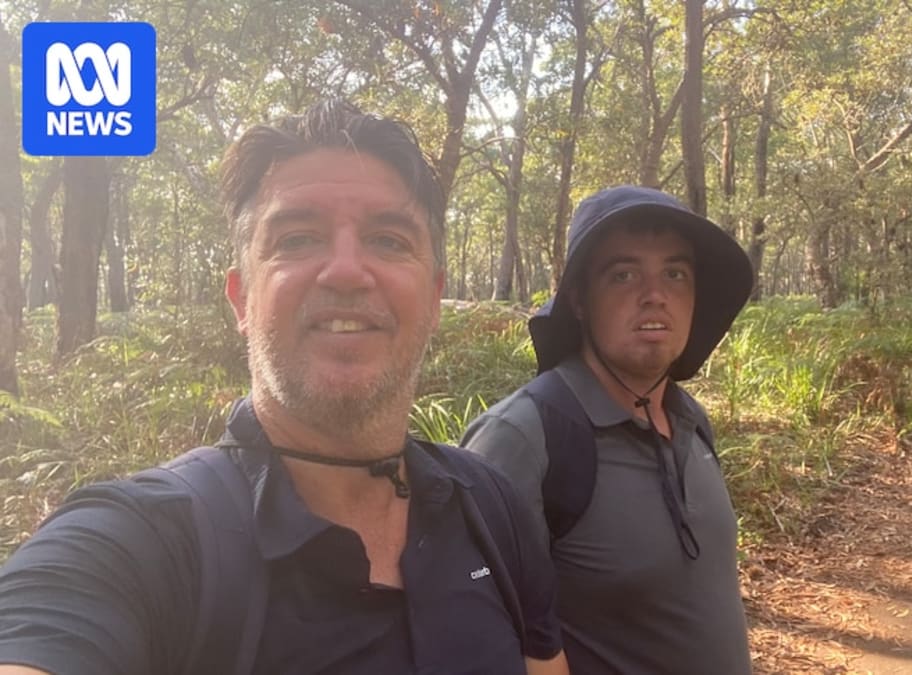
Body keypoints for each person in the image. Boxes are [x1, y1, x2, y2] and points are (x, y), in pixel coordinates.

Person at [0, 100, 567, 675]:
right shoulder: (140, 544)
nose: (346, 271)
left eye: (390, 240)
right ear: (241, 298)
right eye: (297, 238)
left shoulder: (493, 509)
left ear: (435, 296)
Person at [461, 185, 755, 674]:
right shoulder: (524, 439)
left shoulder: (689, 419)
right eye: (623, 275)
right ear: (579, 299)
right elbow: (475, 637)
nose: (655, 295)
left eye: (675, 274)